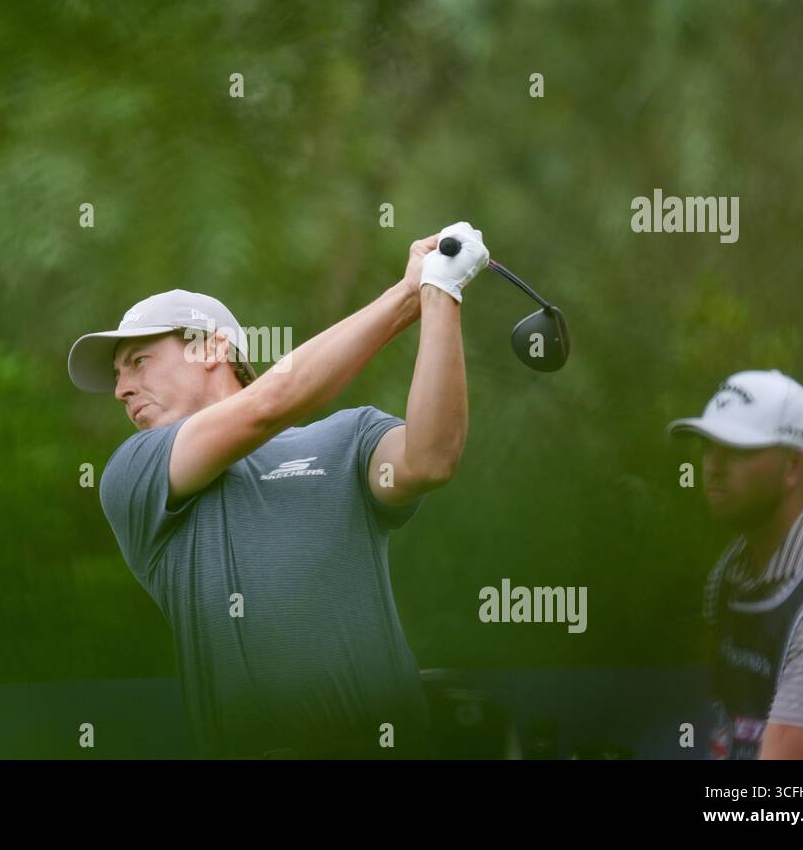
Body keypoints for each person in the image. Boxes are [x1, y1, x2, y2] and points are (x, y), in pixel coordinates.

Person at [67, 222, 490, 758]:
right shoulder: (137, 474)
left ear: (211, 348)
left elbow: (430, 460)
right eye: (118, 374)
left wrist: (440, 295)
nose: (122, 388)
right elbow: (270, 403)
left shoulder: (348, 437)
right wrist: (406, 295)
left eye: (139, 361)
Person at [669, 369, 803, 759]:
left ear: (794, 466)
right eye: (708, 447)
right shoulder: (729, 573)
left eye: (735, 449)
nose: (712, 467)